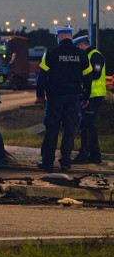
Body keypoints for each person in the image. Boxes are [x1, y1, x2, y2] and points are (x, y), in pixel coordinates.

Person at [35, 26, 92, 172]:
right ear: (70, 37)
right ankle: (66, 162)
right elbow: (88, 78)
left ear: (59, 37)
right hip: (73, 98)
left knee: (52, 129)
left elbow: (41, 76)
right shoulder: (81, 54)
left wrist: (40, 95)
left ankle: (47, 162)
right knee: (69, 130)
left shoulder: (51, 54)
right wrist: (86, 96)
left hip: (54, 98)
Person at [72, 35, 105, 164]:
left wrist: (80, 76)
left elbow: (95, 74)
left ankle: (85, 154)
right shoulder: (89, 56)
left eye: (78, 47)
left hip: (94, 96)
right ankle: (95, 155)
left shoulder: (95, 55)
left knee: (85, 125)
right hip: (89, 95)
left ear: (81, 45)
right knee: (89, 125)